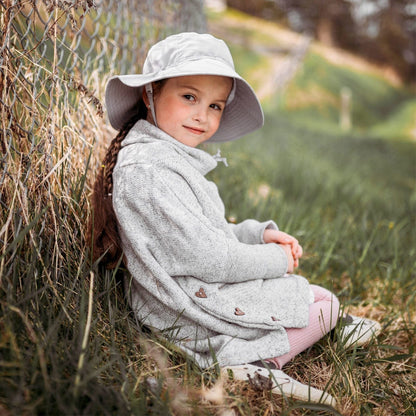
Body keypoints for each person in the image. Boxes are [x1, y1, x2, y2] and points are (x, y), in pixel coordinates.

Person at [89, 32, 380, 404]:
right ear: (150, 94)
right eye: (189, 97)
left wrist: (257, 235)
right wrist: (277, 262)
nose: (202, 115)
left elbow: (208, 234)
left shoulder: (164, 158)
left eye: (215, 106)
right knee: (324, 303)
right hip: (188, 309)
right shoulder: (150, 171)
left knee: (313, 296)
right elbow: (211, 259)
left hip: (189, 291)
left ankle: (326, 327)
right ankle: (254, 363)